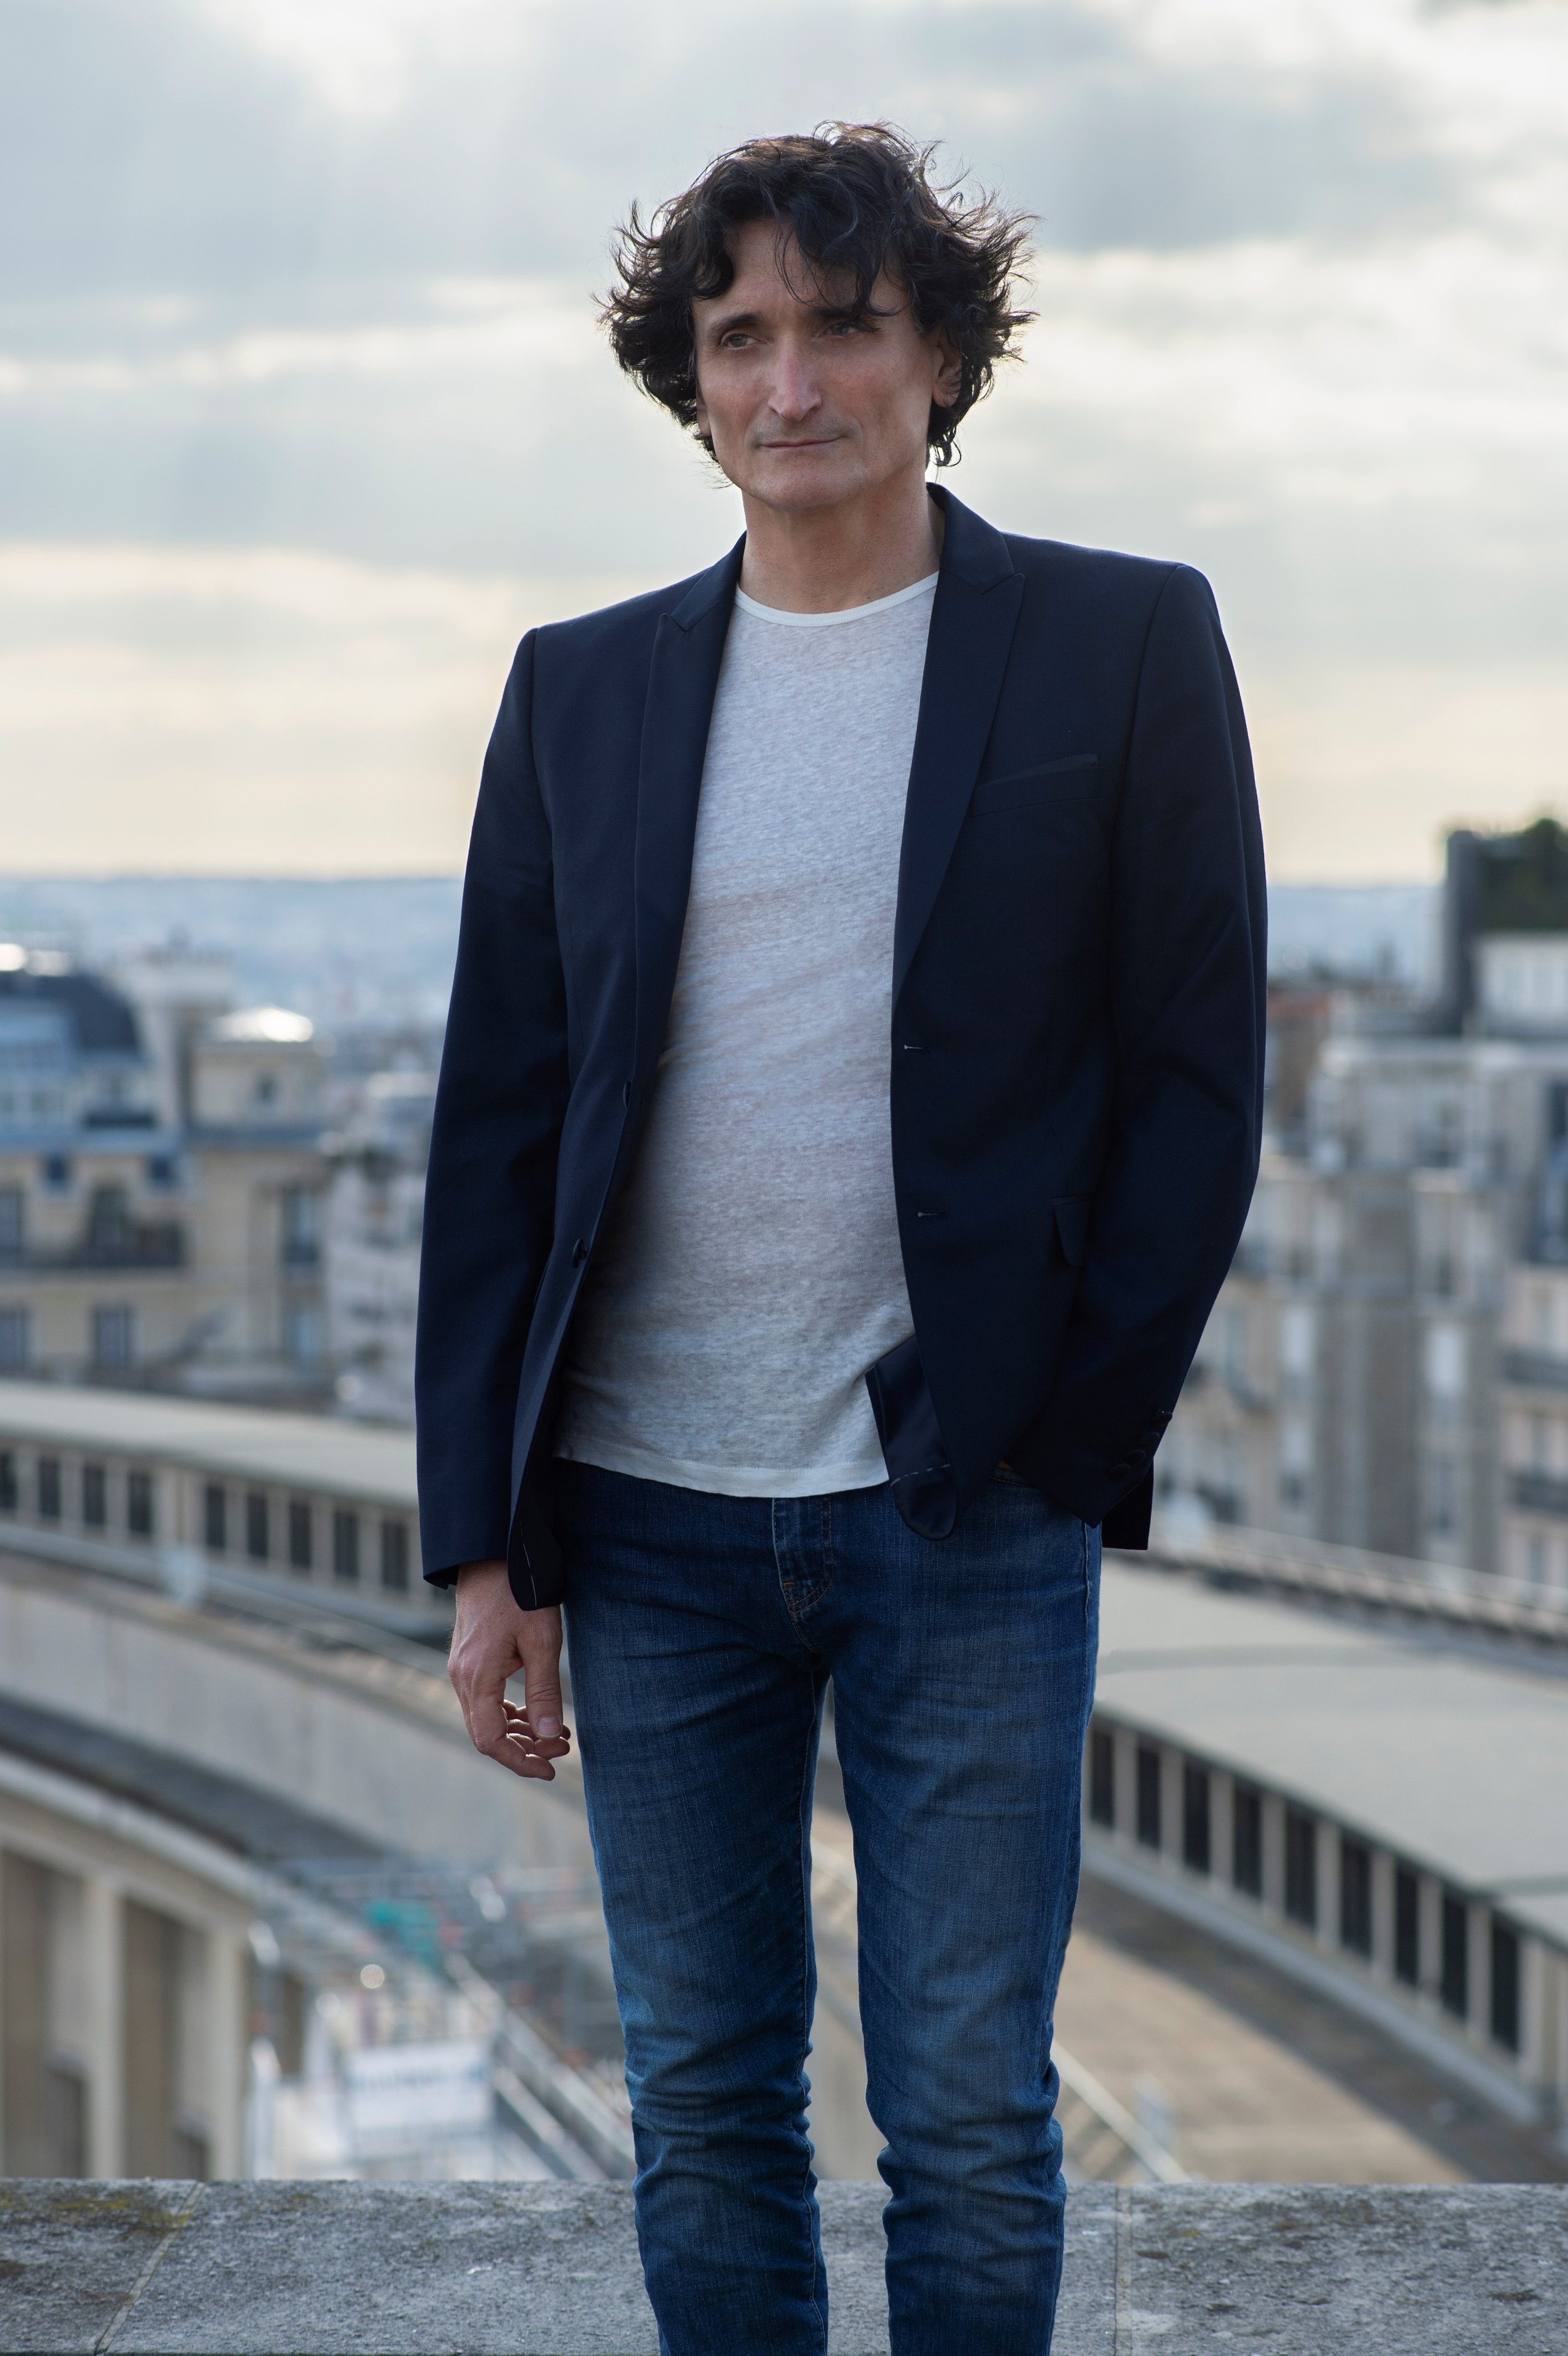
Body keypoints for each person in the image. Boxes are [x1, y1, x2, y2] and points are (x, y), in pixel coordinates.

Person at [416, 122, 1264, 2356]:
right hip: (643, 1505)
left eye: (842, 326)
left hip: (965, 1502)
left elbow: (1195, 1081)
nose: (788, 383)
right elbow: (499, 1122)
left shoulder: (1120, 641)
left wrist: (1065, 1442)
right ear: (690, 383)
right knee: (703, 2102)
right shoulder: (578, 686)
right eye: (738, 337)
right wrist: (483, 1546)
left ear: (941, 356)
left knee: (969, 2111)